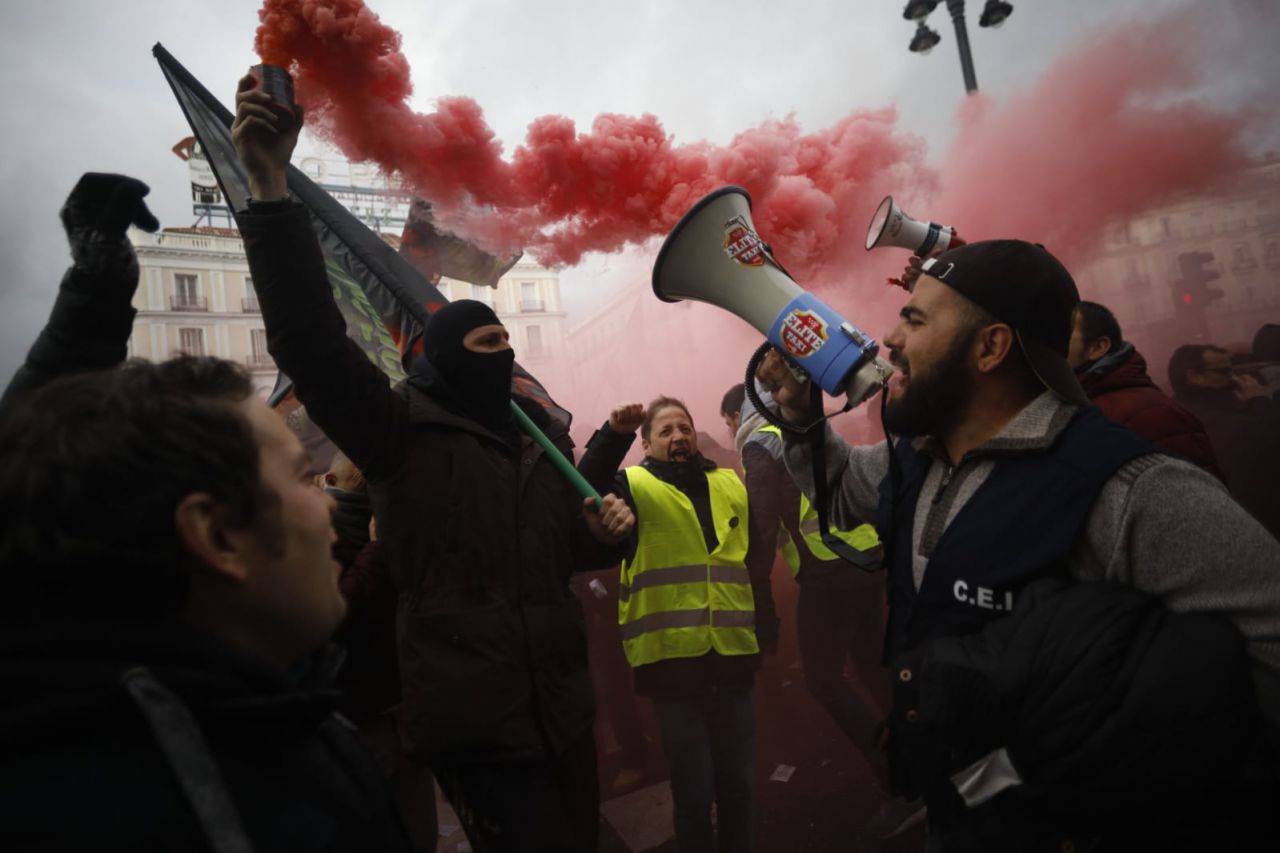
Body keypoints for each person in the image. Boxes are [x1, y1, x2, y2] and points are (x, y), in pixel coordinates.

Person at [760, 240, 1280, 849]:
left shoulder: (1131, 489)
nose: (889, 340)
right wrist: (799, 418)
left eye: (915, 319)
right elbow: (843, 489)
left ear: (991, 347)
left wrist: (1106, 772)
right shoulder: (921, 460)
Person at [232, 74, 635, 853]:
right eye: (487, 348)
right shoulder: (396, 433)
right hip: (478, 730)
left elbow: (574, 548)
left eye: (508, 346)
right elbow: (313, 344)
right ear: (444, 362)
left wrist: (616, 529)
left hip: (565, 712)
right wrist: (269, 186)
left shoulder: (532, 442)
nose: (507, 357)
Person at [0, 173, 410, 851]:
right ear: (216, 534)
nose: (327, 503)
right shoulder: (116, 807)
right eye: (305, 479)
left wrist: (94, 303)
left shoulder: (282, 715)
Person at [580, 397, 775, 853]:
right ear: (646, 443)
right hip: (672, 665)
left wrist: (765, 626)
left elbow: (752, 558)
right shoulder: (631, 484)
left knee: (739, 787)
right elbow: (581, 487)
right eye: (665, 431)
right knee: (693, 792)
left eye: (684, 427)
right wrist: (612, 436)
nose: (679, 437)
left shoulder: (729, 482)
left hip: (731, 659)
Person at [725, 381, 917, 838]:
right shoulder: (799, 421)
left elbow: (763, 526)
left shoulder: (757, 442)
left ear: (736, 416)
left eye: (726, 420)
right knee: (873, 666)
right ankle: (925, 759)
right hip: (865, 556)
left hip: (828, 569)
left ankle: (898, 779)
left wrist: (757, 605)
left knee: (823, 680)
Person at [1067, 300, 1221, 478]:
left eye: (1057, 333)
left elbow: (1197, 499)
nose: (1042, 344)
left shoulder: (1152, 413)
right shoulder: (1072, 404)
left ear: (1097, 348)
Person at [1169, 343, 1280, 540]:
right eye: (1224, 372)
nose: (1234, 378)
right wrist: (1259, 400)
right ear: (1194, 375)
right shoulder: (1211, 420)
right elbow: (1269, 443)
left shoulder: (1183, 412)